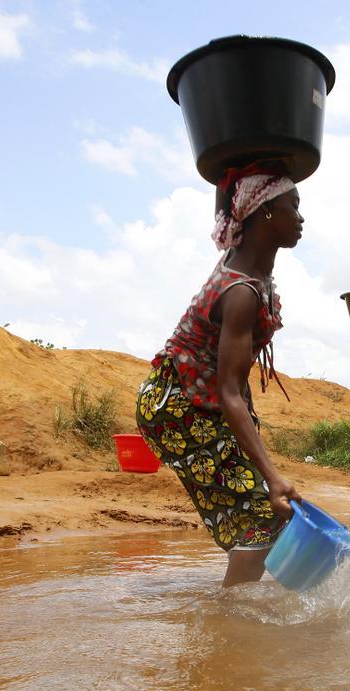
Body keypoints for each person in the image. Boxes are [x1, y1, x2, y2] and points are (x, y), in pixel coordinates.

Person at [136, 163, 303, 587]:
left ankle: (238, 619)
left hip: (200, 402)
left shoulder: (245, 260)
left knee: (262, 514)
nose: (301, 219)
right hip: (180, 407)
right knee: (262, 517)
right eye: (293, 207)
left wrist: (232, 164)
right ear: (265, 213)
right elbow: (229, 392)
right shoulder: (241, 292)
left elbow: (230, 208)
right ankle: (230, 635)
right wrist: (273, 476)